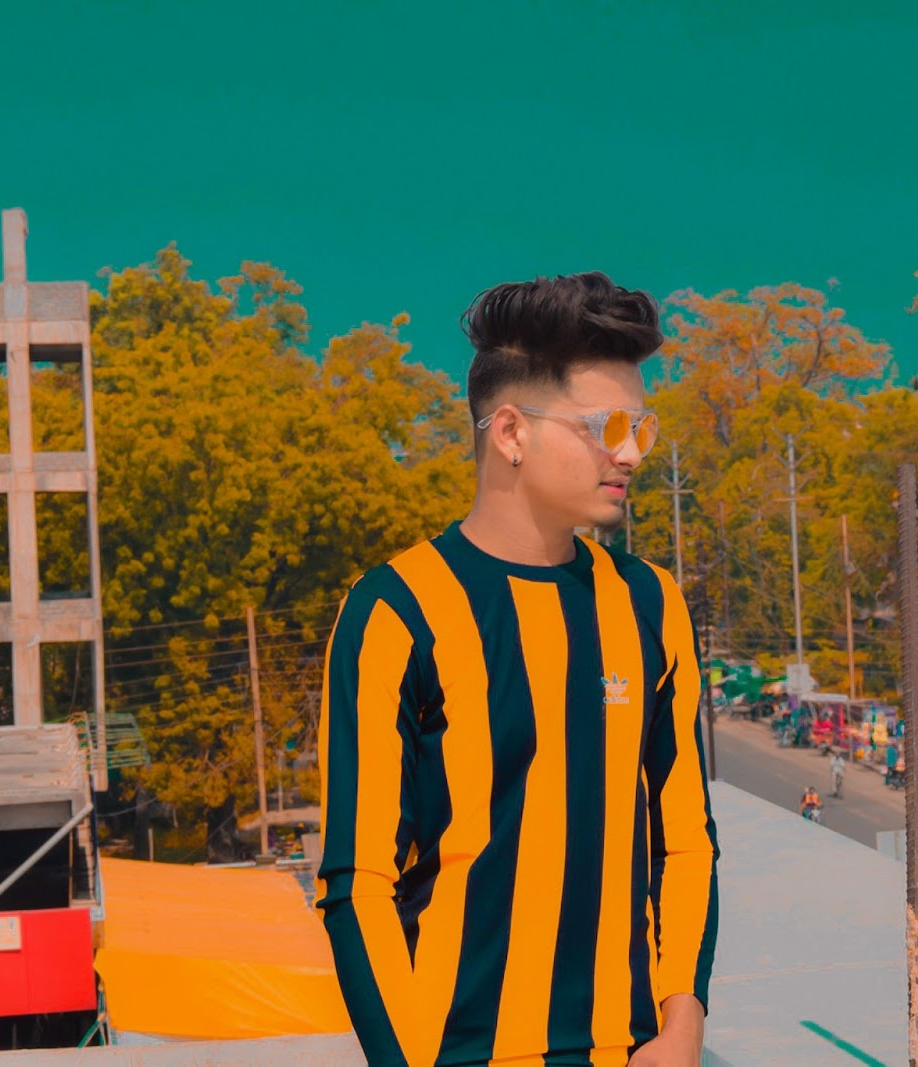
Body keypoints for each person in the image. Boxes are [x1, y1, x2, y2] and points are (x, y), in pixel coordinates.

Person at [316, 273, 718, 1066]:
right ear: (510, 432)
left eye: (641, 426)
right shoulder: (395, 609)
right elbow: (358, 881)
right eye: (606, 426)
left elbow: (685, 840)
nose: (630, 453)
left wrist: (682, 1026)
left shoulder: (650, 602)